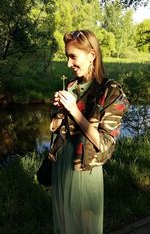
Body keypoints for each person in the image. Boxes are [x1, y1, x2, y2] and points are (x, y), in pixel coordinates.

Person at [49, 30, 129, 234]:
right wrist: (59, 111)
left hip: (84, 171)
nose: (68, 64)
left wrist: (74, 111)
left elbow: (104, 143)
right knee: (64, 226)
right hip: (61, 166)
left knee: (85, 228)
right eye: (67, 56)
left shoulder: (111, 92)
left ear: (91, 55)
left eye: (73, 56)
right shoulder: (71, 85)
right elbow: (55, 128)